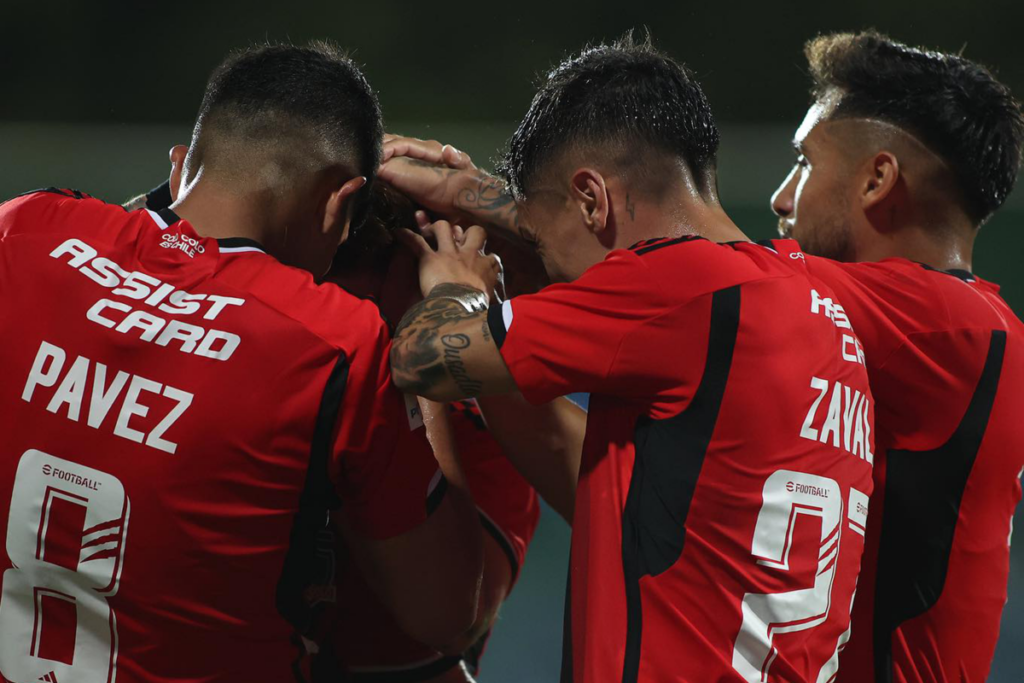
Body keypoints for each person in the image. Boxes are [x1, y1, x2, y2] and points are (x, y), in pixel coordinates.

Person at [385, 35, 875, 682]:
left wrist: (458, 288)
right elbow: (579, 469)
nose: (556, 278)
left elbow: (422, 358)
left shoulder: (672, 284)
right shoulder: (811, 301)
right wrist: (478, 195)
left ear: (593, 199)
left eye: (546, 249)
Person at [0, 42, 485, 683]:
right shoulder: (333, 343)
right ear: (338, 206)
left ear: (180, 167)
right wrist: (453, 320)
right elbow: (448, 613)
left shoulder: (26, 230)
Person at [770, 31, 1024, 682]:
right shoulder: (940, 330)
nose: (781, 197)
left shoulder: (948, 327)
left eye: (804, 163)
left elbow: (692, 276)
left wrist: (530, 214)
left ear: (878, 178)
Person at [307, 184, 541, 683]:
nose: (336, 324)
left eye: (362, 306)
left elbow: (455, 621)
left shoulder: (484, 427)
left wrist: (421, 358)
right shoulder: (256, 342)